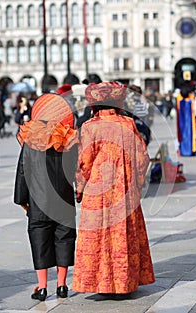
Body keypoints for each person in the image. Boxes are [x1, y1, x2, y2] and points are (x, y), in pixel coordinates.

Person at [72, 81, 155, 294]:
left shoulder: (90, 127)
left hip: (97, 190)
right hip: (123, 188)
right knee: (122, 232)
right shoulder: (128, 124)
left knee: (98, 233)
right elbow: (142, 157)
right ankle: (124, 282)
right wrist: (136, 182)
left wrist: (80, 187)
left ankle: (100, 283)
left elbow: (84, 161)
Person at [14, 93, 79, 301]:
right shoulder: (68, 139)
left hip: (38, 200)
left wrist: (21, 199)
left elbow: (23, 172)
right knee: (64, 238)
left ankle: (42, 287)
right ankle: (62, 285)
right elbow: (75, 171)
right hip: (64, 200)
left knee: (39, 239)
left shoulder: (31, 139)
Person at [176, 86, 196, 156]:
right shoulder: (190, 101)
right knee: (189, 134)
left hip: (182, 121)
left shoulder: (180, 102)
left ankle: (183, 150)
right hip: (189, 122)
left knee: (183, 134)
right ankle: (189, 150)